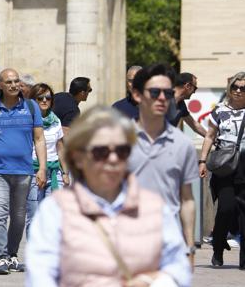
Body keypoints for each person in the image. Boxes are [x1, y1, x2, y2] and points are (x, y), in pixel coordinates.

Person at [26, 106, 191, 287]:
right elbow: (40, 276)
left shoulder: (154, 207)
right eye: (101, 152)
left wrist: (151, 281)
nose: (113, 159)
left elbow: (179, 268)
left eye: (121, 151)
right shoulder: (56, 210)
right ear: (78, 157)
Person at [0, 68, 47, 275]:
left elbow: (39, 139)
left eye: (16, 81)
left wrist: (41, 168)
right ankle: (1, 257)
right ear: (1, 85)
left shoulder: (31, 107)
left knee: (19, 216)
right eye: (9, 82)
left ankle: (13, 254)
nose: (14, 85)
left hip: (24, 171)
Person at [128, 64, 199, 266]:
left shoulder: (183, 144)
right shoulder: (118, 141)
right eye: (154, 92)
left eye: (167, 93)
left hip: (167, 245)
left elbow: (187, 200)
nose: (162, 98)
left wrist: (190, 247)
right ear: (137, 95)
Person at [199, 72, 245, 268]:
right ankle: (218, 246)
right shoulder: (218, 111)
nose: (238, 91)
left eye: (243, 88)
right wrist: (202, 160)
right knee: (225, 208)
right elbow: (209, 136)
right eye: (235, 87)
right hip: (225, 166)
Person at [25, 83, 69, 235]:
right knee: (34, 215)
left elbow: (61, 148)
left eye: (48, 98)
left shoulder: (56, 121)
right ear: (33, 100)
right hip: (33, 172)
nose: (44, 100)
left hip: (54, 172)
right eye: (40, 98)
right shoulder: (26, 120)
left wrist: (65, 173)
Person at [167, 72, 206, 137]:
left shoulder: (181, 104)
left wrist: (212, 138)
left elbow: (194, 125)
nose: (194, 92)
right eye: (195, 88)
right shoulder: (163, 99)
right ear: (187, 86)